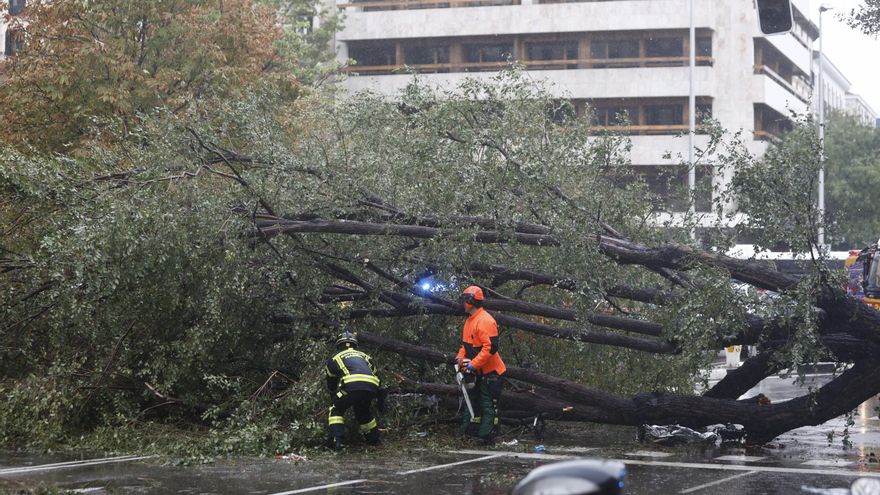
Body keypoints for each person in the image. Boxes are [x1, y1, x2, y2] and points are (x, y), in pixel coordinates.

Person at [449, 285, 506, 442]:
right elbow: (464, 346)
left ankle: (488, 435)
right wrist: (460, 360)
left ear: (470, 302)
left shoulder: (485, 321)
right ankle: (471, 431)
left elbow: (490, 348)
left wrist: (473, 364)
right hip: (479, 371)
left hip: (492, 372)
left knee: (488, 404)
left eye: (464, 300)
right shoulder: (469, 321)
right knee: (475, 402)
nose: (462, 304)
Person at [325, 331, 381, 450]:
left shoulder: (335, 358)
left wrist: (333, 396)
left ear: (339, 345)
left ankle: (336, 441)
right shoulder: (366, 356)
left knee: (335, 408)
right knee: (363, 412)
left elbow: (331, 383)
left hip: (351, 386)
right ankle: (374, 440)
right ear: (355, 345)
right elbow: (376, 374)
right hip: (371, 386)